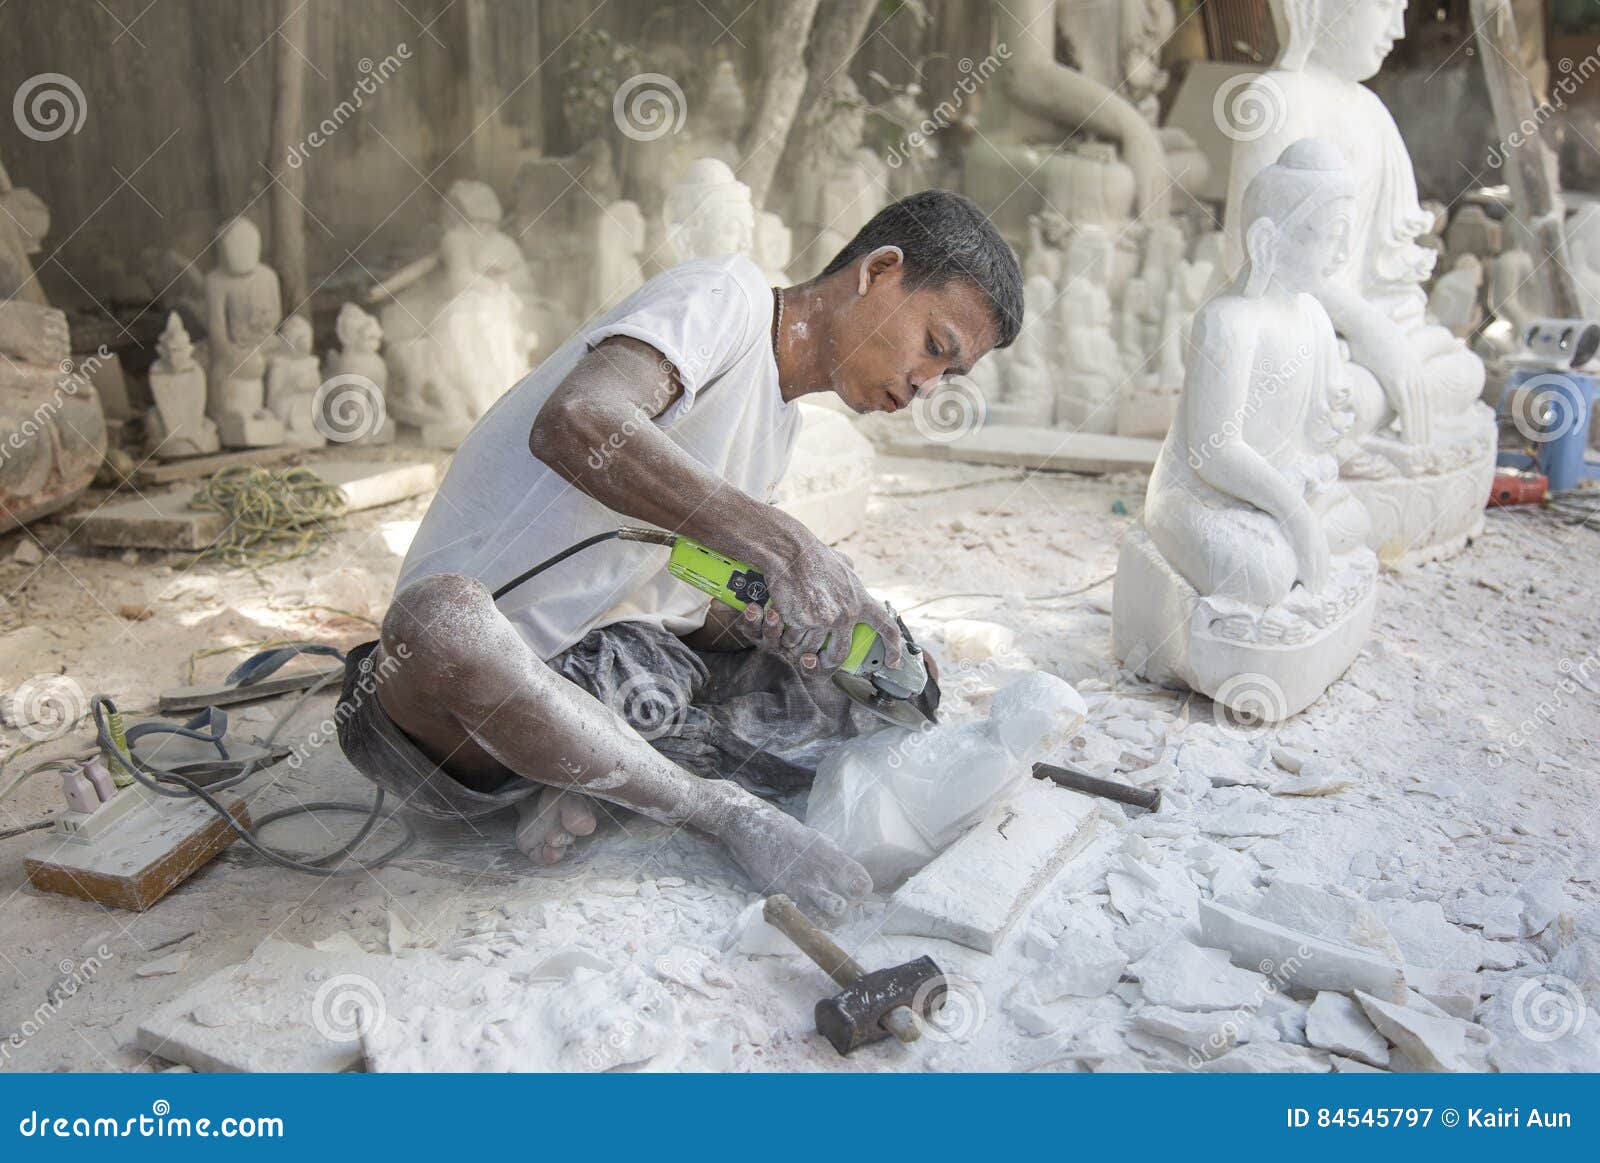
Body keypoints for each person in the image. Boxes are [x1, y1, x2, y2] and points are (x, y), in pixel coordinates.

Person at [336, 190, 1022, 921]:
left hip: (586, 672)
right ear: (879, 271)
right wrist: (784, 542)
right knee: (439, 620)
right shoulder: (727, 297)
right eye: (935, 346)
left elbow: (676, 605)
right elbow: (577, 421)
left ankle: (599, 776)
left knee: (850, 691)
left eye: (949, 376)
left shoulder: (779, 428)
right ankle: (706, 806)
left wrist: (772, 620)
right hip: (451, 719)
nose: (926, 384)